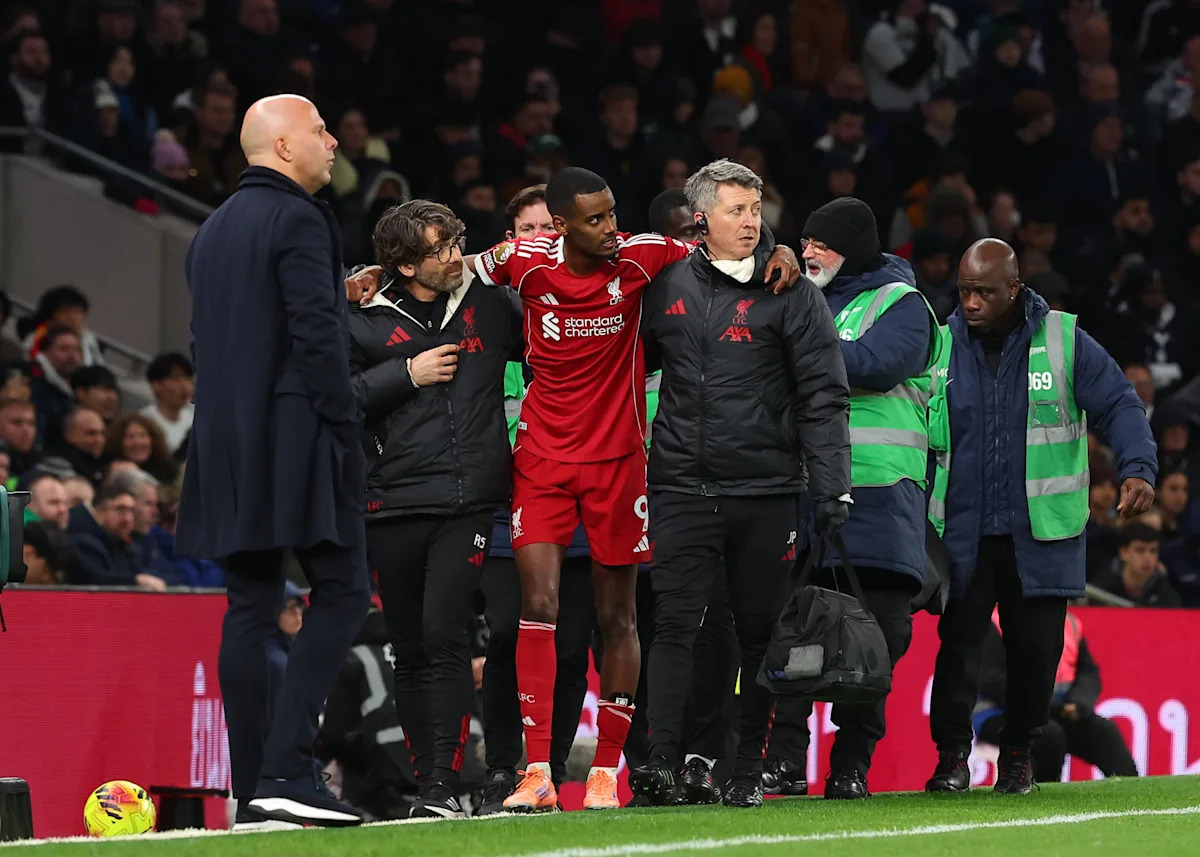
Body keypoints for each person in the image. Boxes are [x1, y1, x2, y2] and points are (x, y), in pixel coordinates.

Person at [469, 166, 800, 811]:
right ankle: (537, 771)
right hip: (542, 458)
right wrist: (370, 279)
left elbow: (720, 246)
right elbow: (449, 271)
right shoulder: (525, 261)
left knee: (618, 615)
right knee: (539, 606)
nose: (610, 228)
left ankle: (604, 771)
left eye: (612, 213)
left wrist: (777, 248)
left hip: (619, 461)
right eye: (594, 219)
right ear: (560, 226)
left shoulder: (642, 255)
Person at [630, 160, 851, 808]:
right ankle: (661, 763)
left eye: (756, 210)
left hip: (766, 490)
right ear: (702, 219)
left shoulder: (792, 290)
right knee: (673, 626)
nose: (751, 222)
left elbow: (823, 393)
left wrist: (832, 488)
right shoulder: (665, 285)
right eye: (737, 210)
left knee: (759, 636)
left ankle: (747, 769)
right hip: (681, 485)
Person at [178, 93, 370, 829]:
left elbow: (213, 337)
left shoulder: (212, 229)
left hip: (225, 439)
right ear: (285, 147)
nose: (333, 142)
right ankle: (289, 770)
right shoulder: (301, 217)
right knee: (343, 590)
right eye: (320, 130)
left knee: (251, 605)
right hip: (296, 435)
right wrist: (345, 423)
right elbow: (315, 337)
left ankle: (253, 787)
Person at [924, 238, 1157, 795]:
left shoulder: (1063, 339)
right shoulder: (938, 344)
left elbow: (1119, 402)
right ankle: (952, 758)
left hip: (1042, 534)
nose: (970, 302)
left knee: (1036, 655)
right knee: (958, 653)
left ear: (1014, 289)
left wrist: (1138, 467)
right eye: (964, 291)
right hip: (962, 533)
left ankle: (1019, 757)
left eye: (984, 292)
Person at [348, 200, 522, 819]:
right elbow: (332, 397)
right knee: (410, 645)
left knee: (445, 634)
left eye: (456, 242)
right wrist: (407, 374)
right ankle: (431, 787)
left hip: (467, 500)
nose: (455, 256)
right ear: (403, 263)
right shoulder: (360, 314)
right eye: (440, 249)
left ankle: (444, 786)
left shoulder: (490, 303)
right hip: (390, 500)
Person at [762, 197, 938, 800]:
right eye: (805, 241)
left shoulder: (902, 304)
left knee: (879, 636)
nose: (808, 252)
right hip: (801, 491)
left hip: (881, 496)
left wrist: (793, 346)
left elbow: (877, 364)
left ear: (855, 246)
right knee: (793, 627)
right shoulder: (793, 295)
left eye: (823, 243)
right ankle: (785, 760)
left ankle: (851, 764)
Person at [975, 610, 1139, 780]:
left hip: (1057, 711)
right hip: (1002, 713)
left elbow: (1088, 672)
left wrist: (1078, 704)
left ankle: (1131, 789)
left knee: (1104, 733)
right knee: (1049, 736)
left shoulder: (1069, 623)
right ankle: (1047, 792)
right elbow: (992, 681)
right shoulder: (996, 622)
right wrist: (1050, 707)